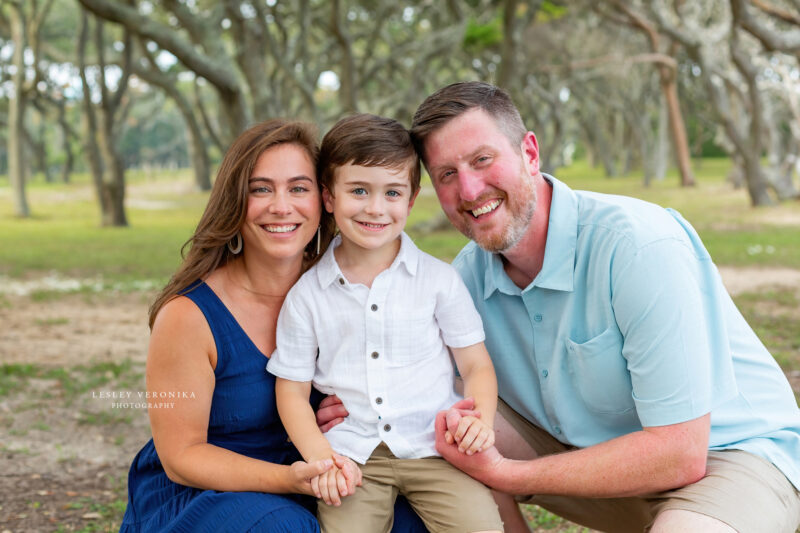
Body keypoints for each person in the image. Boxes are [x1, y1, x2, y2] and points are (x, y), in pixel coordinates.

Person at [398, 81, 800, 533]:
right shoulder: (465, 278)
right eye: (446, 174)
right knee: (442, 415)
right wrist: (347, 399)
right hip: (595, 462)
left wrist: (507, 474)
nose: (470, 190)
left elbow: (681, 452)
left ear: (529, 153)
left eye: (482, 160)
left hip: (726, 459)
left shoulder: (637, 245)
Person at [119, 119, 426, 533]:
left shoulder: (349, 292)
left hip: (318, 479)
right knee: (284, 528)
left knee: (415, 518)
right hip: (209, 493)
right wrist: (291, 477)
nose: (281, 206)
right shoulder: (188, 316)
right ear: (235, 200)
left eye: (298, 188)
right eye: (261, 188)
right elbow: (182, 457)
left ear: (324, 199)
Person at [267, 114, 504, 533]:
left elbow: (475, 366)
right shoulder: (307, 295)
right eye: (359, 190)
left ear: (410, 201)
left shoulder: (438, 280)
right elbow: (291, 387)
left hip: (435, 448)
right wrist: (321, 457)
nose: (375, 208)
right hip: (352, 455)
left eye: (392, 192)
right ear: (328, 197)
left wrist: (479, 422)